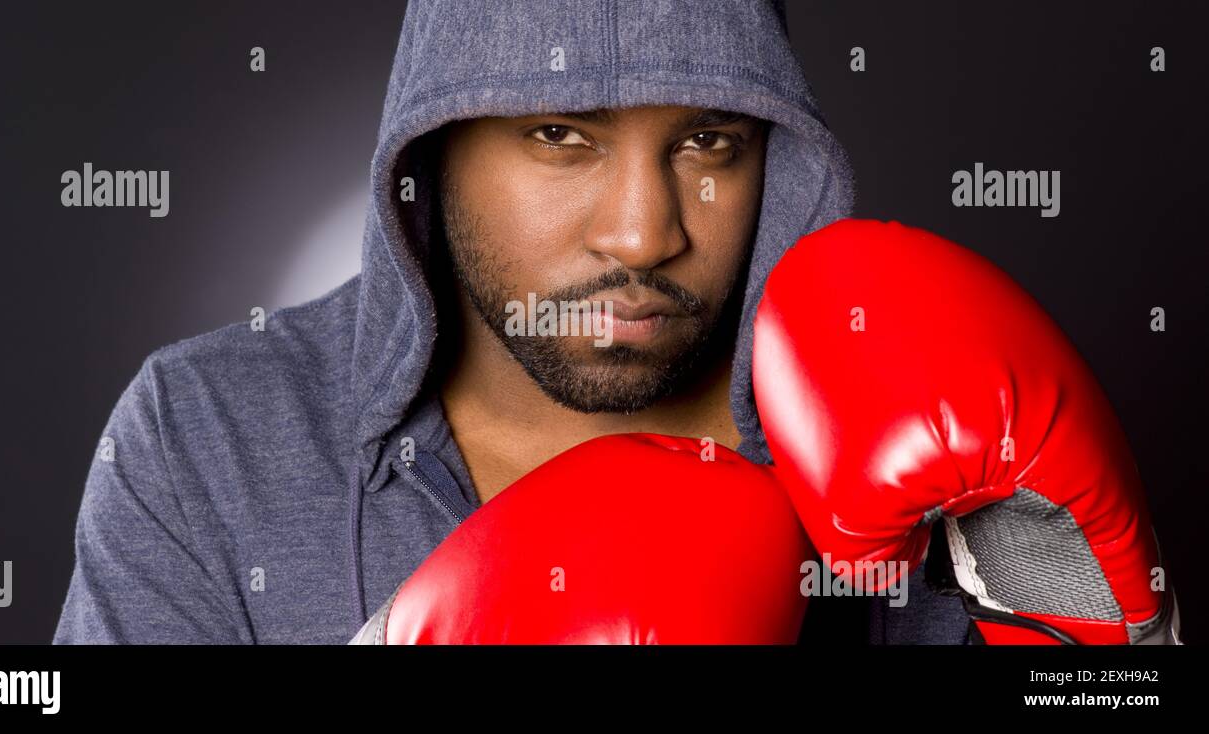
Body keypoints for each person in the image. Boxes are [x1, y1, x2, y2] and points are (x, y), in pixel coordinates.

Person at [54, 0, 976, 644]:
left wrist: (1076, 619)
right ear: (437, 147)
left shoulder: (916, 434)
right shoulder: (207, 435)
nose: (643, 234)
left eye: (708, 142)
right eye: (561, 136)